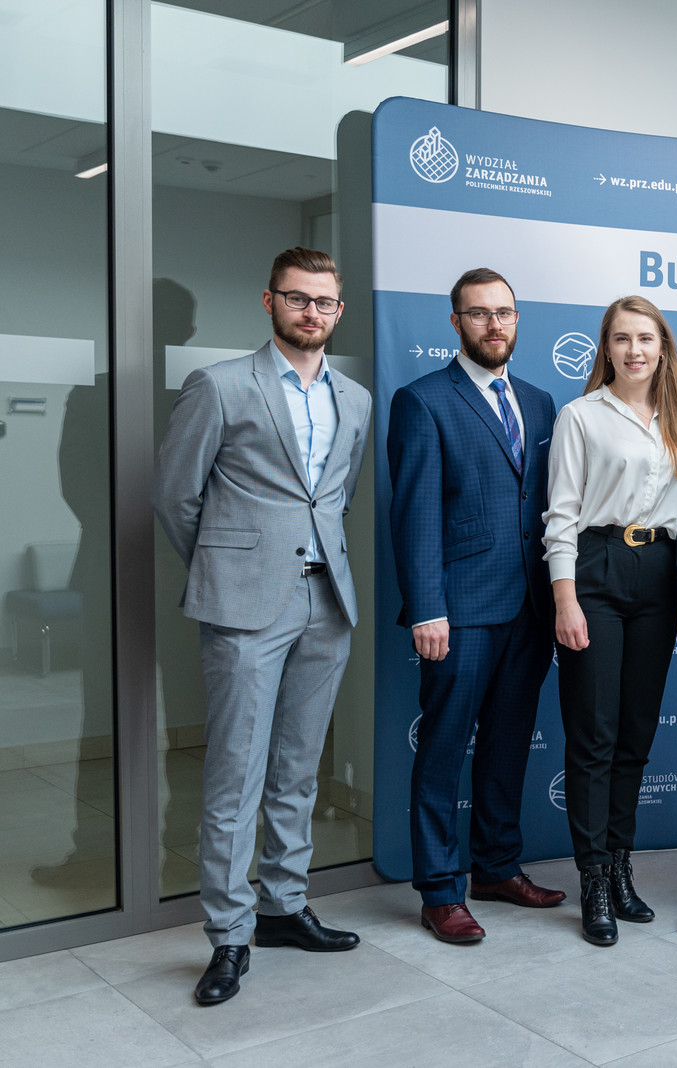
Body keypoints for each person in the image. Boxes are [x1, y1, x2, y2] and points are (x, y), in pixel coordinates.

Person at [154, 248, 371, 1006]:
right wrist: (228, 567)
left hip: (326, 601)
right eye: (297, 298)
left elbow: (335, 498)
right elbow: (176, 496)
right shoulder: (220, 385)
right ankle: (229, 934)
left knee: (298, 768)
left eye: (324, 301)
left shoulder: (355, 398)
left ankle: (283, 906)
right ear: (270, 301)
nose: (312, 312)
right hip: (245, 604)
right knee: (235, 773)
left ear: (338, 310)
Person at [389, 267, 563, 945]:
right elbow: (414, 515)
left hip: (529, 609)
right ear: (456, 322)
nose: (495, 324)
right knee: (442, 750)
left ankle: (496, 867)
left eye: (505, 313)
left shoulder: (541, 403)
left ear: (517, 320)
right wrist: (426, 608)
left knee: (508, 745)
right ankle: (440, 890)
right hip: (458, 612)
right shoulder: (423, 400)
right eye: (480, 313)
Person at [543, 295, 677, 946]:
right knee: (594, 734)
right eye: (622, 338)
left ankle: (622, 865)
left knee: (634, 734)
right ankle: (594, 878)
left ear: (663, 349)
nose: (635, 350)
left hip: (659, 574)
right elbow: (560, 515)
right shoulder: (581, 416)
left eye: (646, 338)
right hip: (596, 571)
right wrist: (566, 599)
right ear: (606, 348)